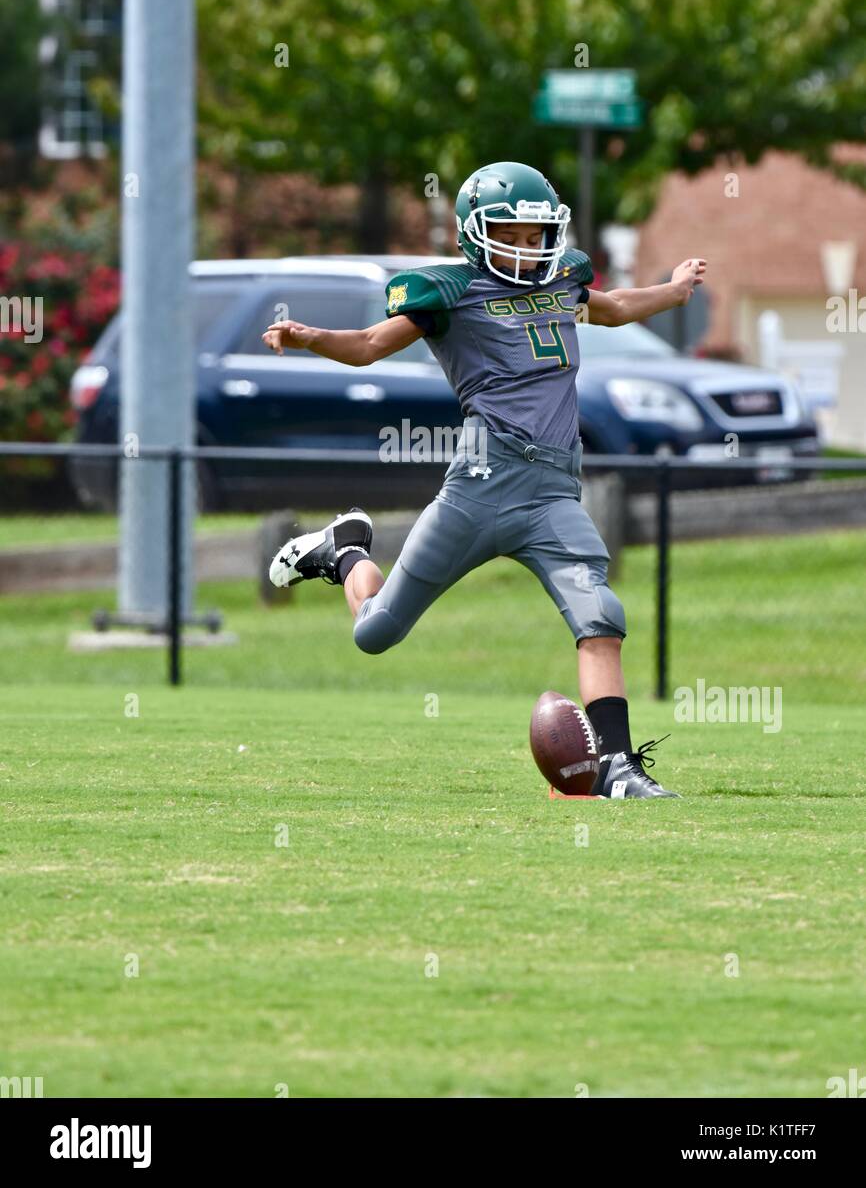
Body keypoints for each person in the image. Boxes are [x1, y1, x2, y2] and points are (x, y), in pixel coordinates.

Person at [263, 161, 706, 797]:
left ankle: (616, 765)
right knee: (376, 632)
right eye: (512, 233)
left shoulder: (563, 285)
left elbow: (611, 308)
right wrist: (310, 337)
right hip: (478, 487)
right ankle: (346, 553)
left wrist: (671, 290)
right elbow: (365, 344)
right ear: (475, 233)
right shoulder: (449, 293)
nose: (526, 249)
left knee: (600, 616)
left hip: (553, 492)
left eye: (535, 235)